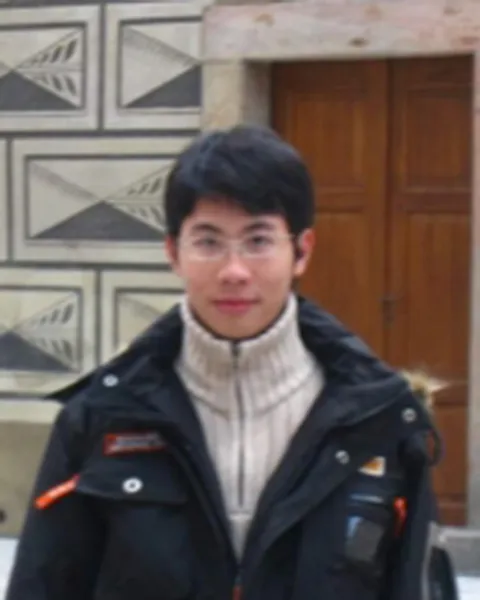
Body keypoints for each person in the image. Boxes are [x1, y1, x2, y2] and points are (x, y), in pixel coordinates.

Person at [5, 125, 458, 600]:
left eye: (258, 240)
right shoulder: (102, 416)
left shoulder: (379, 422)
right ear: (173, 252)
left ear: (301, 251)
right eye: (208, 241)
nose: (234, 271)